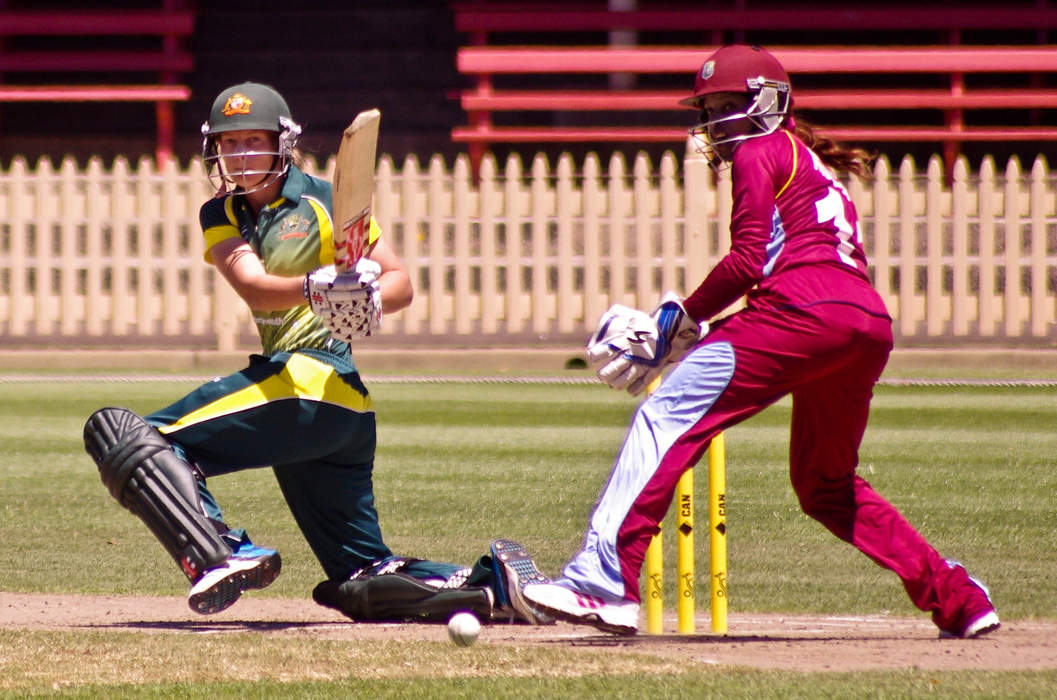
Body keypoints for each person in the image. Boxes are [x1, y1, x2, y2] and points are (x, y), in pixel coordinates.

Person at [522, 45, 1000, 639]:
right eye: (709, 109)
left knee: (664, 416)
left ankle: (603, 583)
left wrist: (680, 318)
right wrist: (692, 325)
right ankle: (958, 597)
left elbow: (749, 260)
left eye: (727, 105)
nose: (715, 123)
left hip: (800, 310)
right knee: (826, 486)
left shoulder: (757, 150)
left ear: (768, 103)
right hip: (865, 323)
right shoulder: (807, 159)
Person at [82, 82, 549, 626]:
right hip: (328, 414)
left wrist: (370, 296)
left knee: (130, 438)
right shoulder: (220, 213)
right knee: (357, 580)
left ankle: (223, 551)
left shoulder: (327, 200)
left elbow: (401, 283)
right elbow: (252, 284)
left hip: (312, 381)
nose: (239, 155)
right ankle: (493, 586)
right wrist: (317, 286)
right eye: (229, 144)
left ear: (283, 142)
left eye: (252, 141)